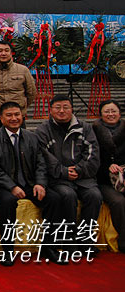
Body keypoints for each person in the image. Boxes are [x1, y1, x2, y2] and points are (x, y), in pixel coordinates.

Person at [0, 101, 65, 265]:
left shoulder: (32, 137)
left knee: (54, 199)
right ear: (1, 119)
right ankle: (7, 251)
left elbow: (41, 163)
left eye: (17, 114)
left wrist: (40, 183)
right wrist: (12, 187)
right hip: (2, 186)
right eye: (9, 115)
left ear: (23, 116)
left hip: (28, 183)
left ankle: (49, 247)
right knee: (7, 201)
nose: (14, 118)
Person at [36, 95, 102, 255]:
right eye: (57, 107)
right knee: (67, 195)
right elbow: (44, 157)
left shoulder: (84, 127)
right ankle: (68, 240)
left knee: (94, 196)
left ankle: (85, 240)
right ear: (50, 110)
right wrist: (64, 172)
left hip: (84, 177)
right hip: (59, 179)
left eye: (65, 107)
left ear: (72, 109)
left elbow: (92, 153)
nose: (62, 111)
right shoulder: (43, 130)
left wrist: (79, 170)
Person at [92, 100, 125, 252]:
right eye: (107, 111)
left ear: (119, 113)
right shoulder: (93, 130)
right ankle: (123, 241)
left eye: (113, 111)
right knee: (118, 201)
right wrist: (107, 167)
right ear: (101, 114)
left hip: (123, 176)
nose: (110, 114)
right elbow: (91, 158)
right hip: (104, 179)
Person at [0, 41, 37, 131]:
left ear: (11, 53)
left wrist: (21, 106)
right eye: (0, 51)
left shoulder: (23, 70)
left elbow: (31, 92)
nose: (3, 53)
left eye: (6, 50)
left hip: (17, 116)